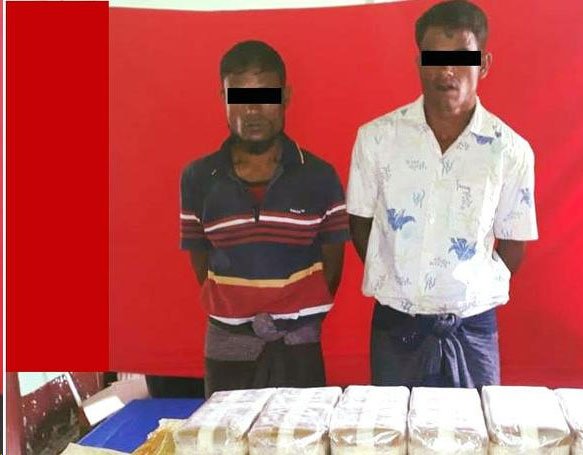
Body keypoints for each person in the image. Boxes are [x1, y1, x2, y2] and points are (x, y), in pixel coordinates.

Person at [347, 0, 538, 388]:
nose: (447, 71)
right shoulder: (377, 139)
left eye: (461, 59)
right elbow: (360, 223)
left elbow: (513, 242)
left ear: (484, 64)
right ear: (419, 62)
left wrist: (467, 287)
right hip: (397, 325)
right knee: (392, 426)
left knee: (475, 425)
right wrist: (401, 277)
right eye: (435, 58)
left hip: (472, 328)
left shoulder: (510, 150)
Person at [180, 40, 349, 396]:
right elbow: (201, 262)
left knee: (301, 430)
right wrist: (235, 310)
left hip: (298, 344)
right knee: (225, 431)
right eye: (240, 96)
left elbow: (332, 266)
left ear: (286, 96)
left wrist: (296, 315)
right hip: (227, 348)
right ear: (224, 97)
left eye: (266, 96)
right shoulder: (198, 178)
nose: (253, 110)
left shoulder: (319, 176)